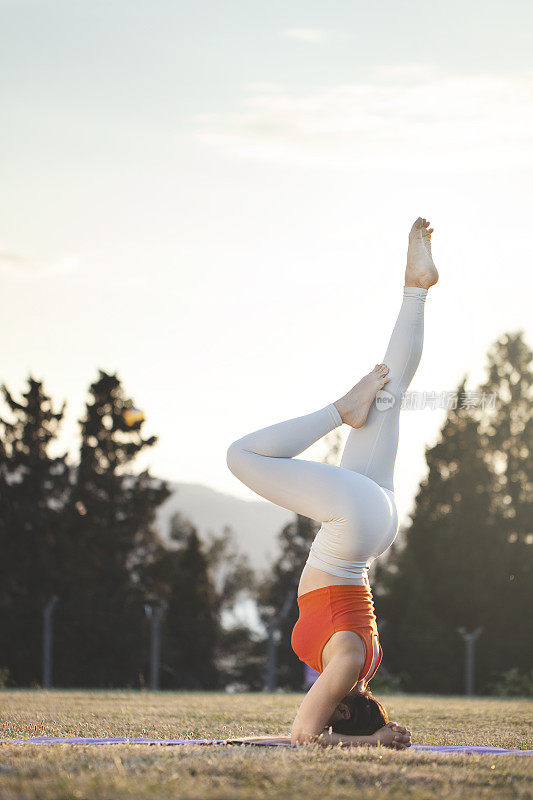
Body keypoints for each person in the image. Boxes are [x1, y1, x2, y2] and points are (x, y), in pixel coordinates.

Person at [227, 218, 439, 749]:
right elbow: (302, 738)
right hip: (352, 524)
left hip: (377, 522)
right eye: (328, 706)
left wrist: (375, 733)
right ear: (341, 708)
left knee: (390, 389)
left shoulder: (367, 658)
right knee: (240, 455)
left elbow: (311, 726)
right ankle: (340, 410)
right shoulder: (345, 664)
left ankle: (416, 288)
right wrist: (373, 743)